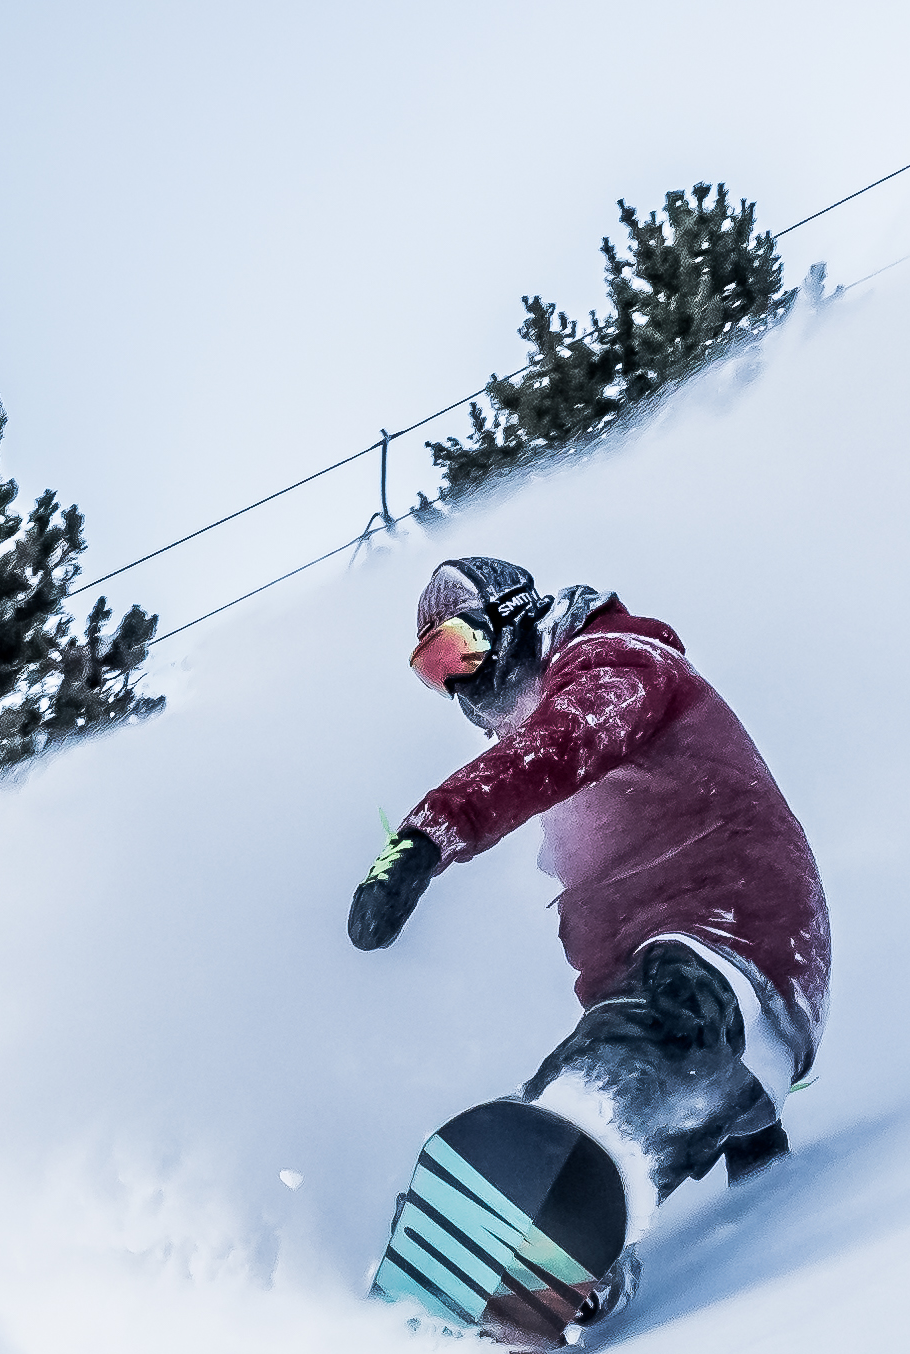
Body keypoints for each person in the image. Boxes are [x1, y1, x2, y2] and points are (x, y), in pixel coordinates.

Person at [344, 554, 831, 1298]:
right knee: (599, 1091)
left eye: (461, 647)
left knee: (605, 1080)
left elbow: (560, 745)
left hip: (733, 931)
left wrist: (429, 834)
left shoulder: (618, 662)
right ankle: (561, 1272)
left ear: (514, 620)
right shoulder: (573, 787)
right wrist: (750, 1129)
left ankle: (554, 1199)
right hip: (721, 999)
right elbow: (609, 930)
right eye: (436, 670)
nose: (460, 681)